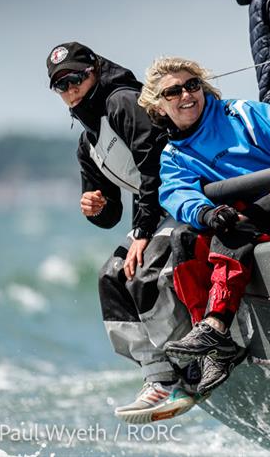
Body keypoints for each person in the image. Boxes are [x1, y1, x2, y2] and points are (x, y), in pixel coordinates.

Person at [137, 57, 270, 395]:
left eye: (192, 85)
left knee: (236, 227)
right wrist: (207, 214)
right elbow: (176, 193)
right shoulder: (174, 153)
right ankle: (214, 349)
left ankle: (217, 323)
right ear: (158, 107)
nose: (186, 95)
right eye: (173, 92)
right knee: (185, 240)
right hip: (246, 210)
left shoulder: (242, 114)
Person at [45, 42, 195, 423]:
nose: (72, 89)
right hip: (154, 215)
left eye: (77, 78)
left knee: (144, 274)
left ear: (95, 70)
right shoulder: (88, 142)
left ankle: (189, 365)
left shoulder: (122, 101)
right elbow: (110, 212)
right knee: (110, 278)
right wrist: (94, 206)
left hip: (185, 199)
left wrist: (142, 231)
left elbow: (153, 164)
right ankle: (158, 375)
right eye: (62, 86)